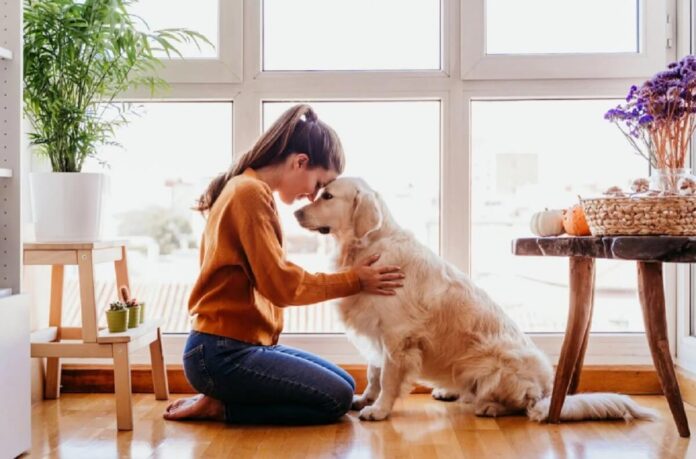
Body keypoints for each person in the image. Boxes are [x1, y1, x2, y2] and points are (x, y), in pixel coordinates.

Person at [163, 104, 404, 425]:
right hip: (220, 354)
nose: (311, 197)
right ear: (300, 162)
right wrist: (355, 280)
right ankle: (222, 407)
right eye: (319, 185)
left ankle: (224, 395)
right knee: (335, 399)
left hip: (237, 347)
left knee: (346, 385)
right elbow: (282, 286)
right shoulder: (249, 193)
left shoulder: (247, 188)